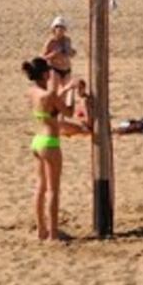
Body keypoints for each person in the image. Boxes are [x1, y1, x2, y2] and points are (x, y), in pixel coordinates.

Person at [23, 57, 90, 241]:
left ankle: (41, 230)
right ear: (45, 74)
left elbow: (51, 105)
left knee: (40, 187)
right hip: (50, 142)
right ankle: (53, 233)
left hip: (37, 140)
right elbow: (68, 111)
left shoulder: (32, 92)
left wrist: (65, 88)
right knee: (53, 190)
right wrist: (72, 91)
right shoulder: (49, 95)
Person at [42, 16, 76, 95]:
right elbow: (43, 57)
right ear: (54, 29)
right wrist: (53, 54)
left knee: (66, 92)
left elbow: (71, 53)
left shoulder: (67, 40)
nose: (60, 30)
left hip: (66, 69)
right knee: (54, 92)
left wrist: (72, 52)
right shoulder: (51, 42)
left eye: (62, 28)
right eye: (58, 27)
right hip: (55, 68)